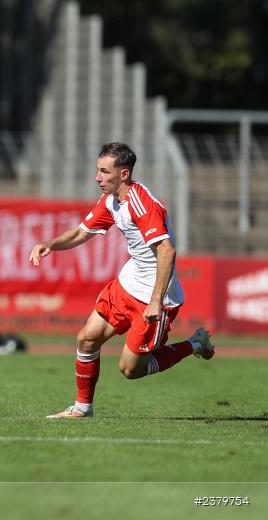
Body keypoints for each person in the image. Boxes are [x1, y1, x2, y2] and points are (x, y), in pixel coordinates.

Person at [28, 142, 215, 419]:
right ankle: (82, 408)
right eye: (98, 171)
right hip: (127, 285)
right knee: (87, 339)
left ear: (124, 174)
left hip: (156, 297)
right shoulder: (111, 200)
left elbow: (167, 250)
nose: (97, 177)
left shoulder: (143, 204)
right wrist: (50, 244)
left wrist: (154, 302)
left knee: (130, 370)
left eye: (104, 172)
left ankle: (194, 344)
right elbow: (81, 233)